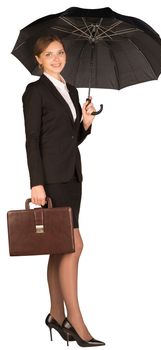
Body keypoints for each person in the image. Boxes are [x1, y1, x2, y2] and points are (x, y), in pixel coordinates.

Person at [22, 34, 105, 347]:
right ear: (38, 60)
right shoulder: (35, 91)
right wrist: (36, 183)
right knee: (73, 245)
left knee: (60, 246)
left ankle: (56, 315)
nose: (56, 58)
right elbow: (32, 140)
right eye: (48, 54)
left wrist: (84, 123)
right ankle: (76, 321)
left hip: (72, 178)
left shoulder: (70, 89)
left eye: (60, 52)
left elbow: (70, 141)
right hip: (51, 180)